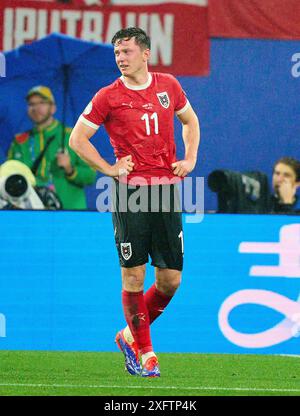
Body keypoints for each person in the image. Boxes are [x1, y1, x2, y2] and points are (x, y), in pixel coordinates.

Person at [69, 27, 200, 377]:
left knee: (170, 280)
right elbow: (77, 139)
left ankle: (128, 336)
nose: (121, 59)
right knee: (134, 276)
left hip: (166, 191)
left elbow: (190, 120)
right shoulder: (108, 96)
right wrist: (109, 169)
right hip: (130, 193)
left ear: (145, 53)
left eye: (126, 52)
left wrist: (190, 159)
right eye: (116, 54)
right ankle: (146, 354)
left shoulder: (168, 86)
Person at [7, 86, 96, 210]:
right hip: (30, 212)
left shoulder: (73, 136)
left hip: (70, 212)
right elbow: (9, 178)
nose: (35, 108)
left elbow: (91, 176)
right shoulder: (20, 141)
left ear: (53, 108)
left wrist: (70, 169)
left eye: (42, 103)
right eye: (31, 104)